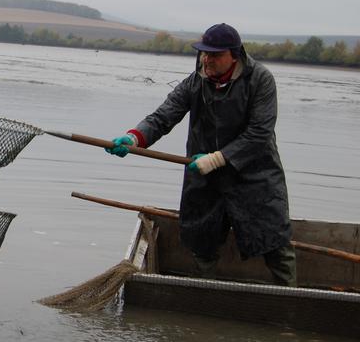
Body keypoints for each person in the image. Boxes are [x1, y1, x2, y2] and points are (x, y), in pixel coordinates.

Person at [105, 23, 296, 286]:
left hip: (255, 175)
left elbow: (259, 133)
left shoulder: (260, 80)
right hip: (205, 178)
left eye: (215, 55)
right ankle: (204, 295)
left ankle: (291, 301)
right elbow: (163, 116)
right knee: (202, 242)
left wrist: (217, 158)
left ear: (234, 55)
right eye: (204, 53)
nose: (207, 59)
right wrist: (135, 138)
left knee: (275, 243)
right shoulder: (195, 82)